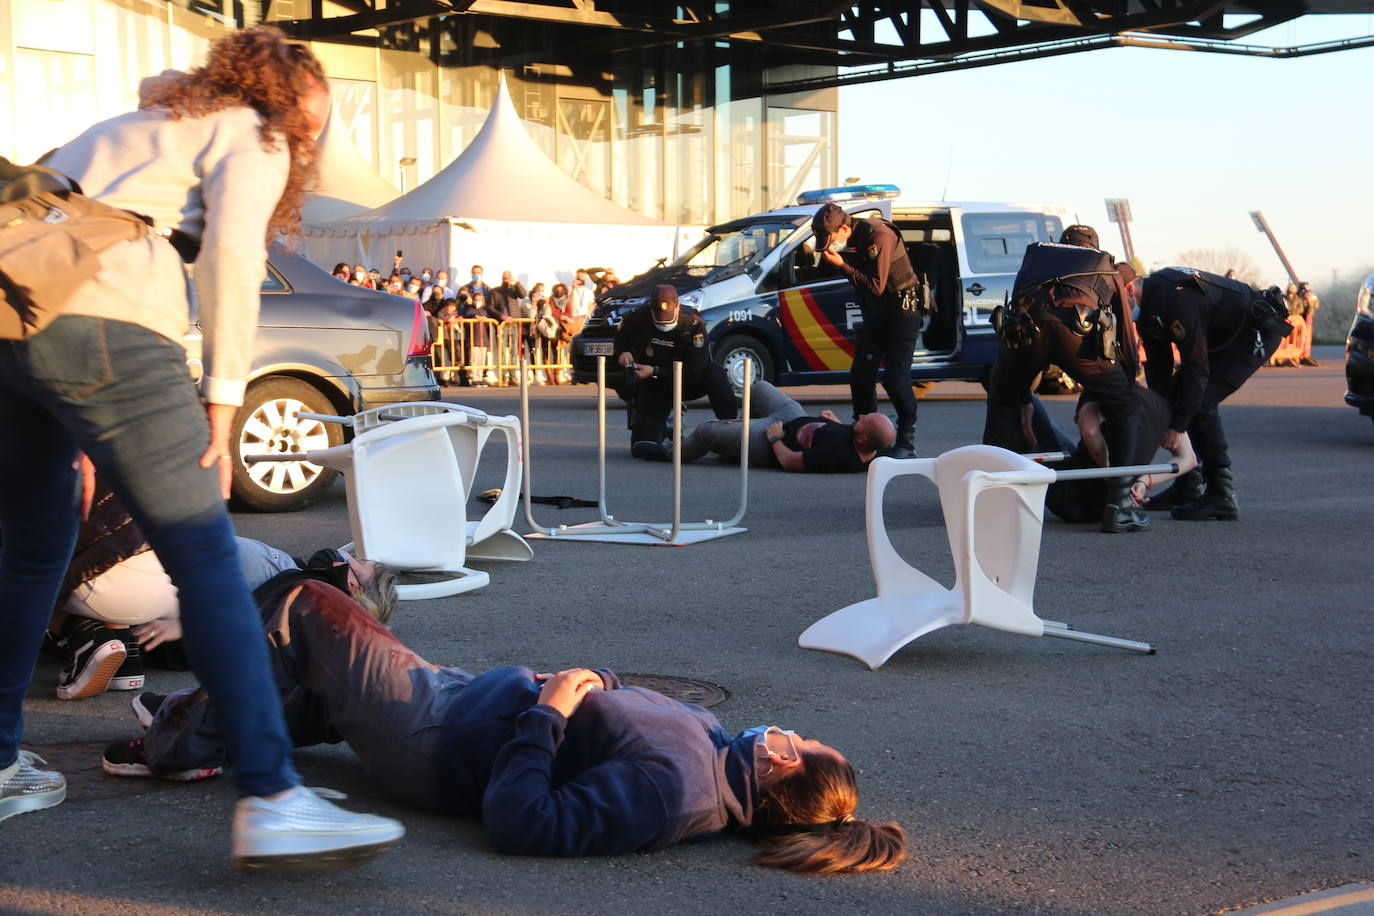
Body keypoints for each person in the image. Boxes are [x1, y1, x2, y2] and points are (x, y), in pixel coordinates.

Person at [0, 27, 404, 863]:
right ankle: (271, 793)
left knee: (32, 551)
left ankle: (0, 759)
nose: (312, 143)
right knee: (206, 556)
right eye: (314, 123)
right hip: (110, 321)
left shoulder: (136, 122)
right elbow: (229, 257)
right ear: (283, 98)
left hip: (12, 321)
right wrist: (225, 401)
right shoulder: (251, 130)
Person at [119, 580, 906, 874]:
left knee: (305, 603)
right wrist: (594, 684)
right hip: (461, 702)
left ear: (778, 773)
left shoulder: (677, 796)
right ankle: (202, 729)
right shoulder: (713, 750)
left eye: (795, 746)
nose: (786, 732)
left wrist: (548, 711)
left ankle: (178, 741)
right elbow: (625, 710)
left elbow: (523, 822)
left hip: (435, 737)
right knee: (319, 680)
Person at [983, 233, 1145, 533]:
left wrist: (1022, 398)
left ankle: (992, 499)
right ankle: (1119, 504)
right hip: (1077, 331)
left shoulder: (1039, 256)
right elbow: (1122, 325)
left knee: (1002, 398)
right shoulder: (1102, 263)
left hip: (1028, 325)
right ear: (1093, 245)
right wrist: (1128, 377)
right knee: (1125, 403)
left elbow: (1015, 304)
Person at [1135, 266, 1290, 520]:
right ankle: (1188, 485)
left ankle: (1222, 494)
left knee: (1201, 402)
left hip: (1255, 333)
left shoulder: (1179, 299)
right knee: (1179, 395)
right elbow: (1157, 366)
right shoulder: (1149, 307)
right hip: (1225, 335)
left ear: (1129, 289)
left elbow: (1196, 369)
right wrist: (1161, 410)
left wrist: (1177, 426)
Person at [811, 202, 922, 459]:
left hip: (902, 310)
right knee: (861, 374)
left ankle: (907, 440)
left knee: (895, 378)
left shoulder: (878, 236)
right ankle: (866, 437)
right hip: (877, 312)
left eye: (831, 238)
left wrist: (843, 265)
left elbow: (876, 287)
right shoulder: (851, 239)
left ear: (843, 228)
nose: (831, 244)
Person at [614, 284, 737, 459]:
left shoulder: (693, 323)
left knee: (714, 372)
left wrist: (656, 371)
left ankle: (730, 430)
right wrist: (622, 352)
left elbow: (696, 370)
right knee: (642, 447)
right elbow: (621, 338)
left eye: (668, 319)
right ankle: (663, 432)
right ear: (651, 309)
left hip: (686, 379)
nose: (664, 323)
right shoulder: (637, 317)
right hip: (654, 384)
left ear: (677, 306)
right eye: (659, 320)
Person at [681, 381, 895, 472]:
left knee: (706, 431)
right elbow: (853, 435)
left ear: (863, 439)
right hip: (794, 417)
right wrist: (835, 423)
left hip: (772, 439)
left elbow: (789, 461)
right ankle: (733, 449)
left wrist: (774, 438)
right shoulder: (872, 446)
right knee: (759, 388)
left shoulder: (837, 456)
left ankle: (668, 451)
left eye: (864, 420)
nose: (861, 415)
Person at [1296, 281, 1320, 366]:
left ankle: (1306, 354)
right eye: (1304, 288)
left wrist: (1311, 299)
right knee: (1301, 337)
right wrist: (1304, 298)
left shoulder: (1311, 295)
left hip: (1309, 315)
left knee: (1307, 337)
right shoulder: (1298, 296)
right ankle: (1301, 355)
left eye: (1307, 288)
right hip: (1301, 317)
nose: (1306, 290)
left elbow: (1317, 305)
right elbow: (1300, 306)